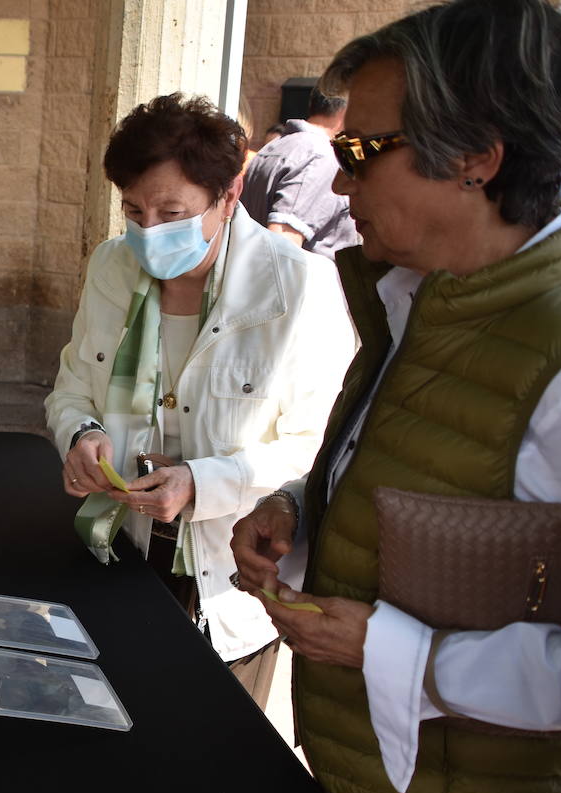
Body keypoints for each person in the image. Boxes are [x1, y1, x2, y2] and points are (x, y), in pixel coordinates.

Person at [229, 1, 561, 793]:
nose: (338, 188)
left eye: (360, 153)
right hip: (366, 756)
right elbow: (426, 471)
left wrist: (400, 654)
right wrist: (301, 508)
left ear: (477, 158)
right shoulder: (420, 289)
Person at [45, 93, 353, 709]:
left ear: (229, 195)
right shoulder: (111, 265)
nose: (148, 232)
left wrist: (202, 482)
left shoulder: (298, 287)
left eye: (173, 212)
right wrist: (80, 434)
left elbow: (315, 451)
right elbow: (73, 385)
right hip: (119, 555)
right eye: (133, 210)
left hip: (227, 586)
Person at [240, 86, 359, 259]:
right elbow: (281, 248)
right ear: (344, 111)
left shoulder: (274, 147)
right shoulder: (321, 157)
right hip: (295, 284)